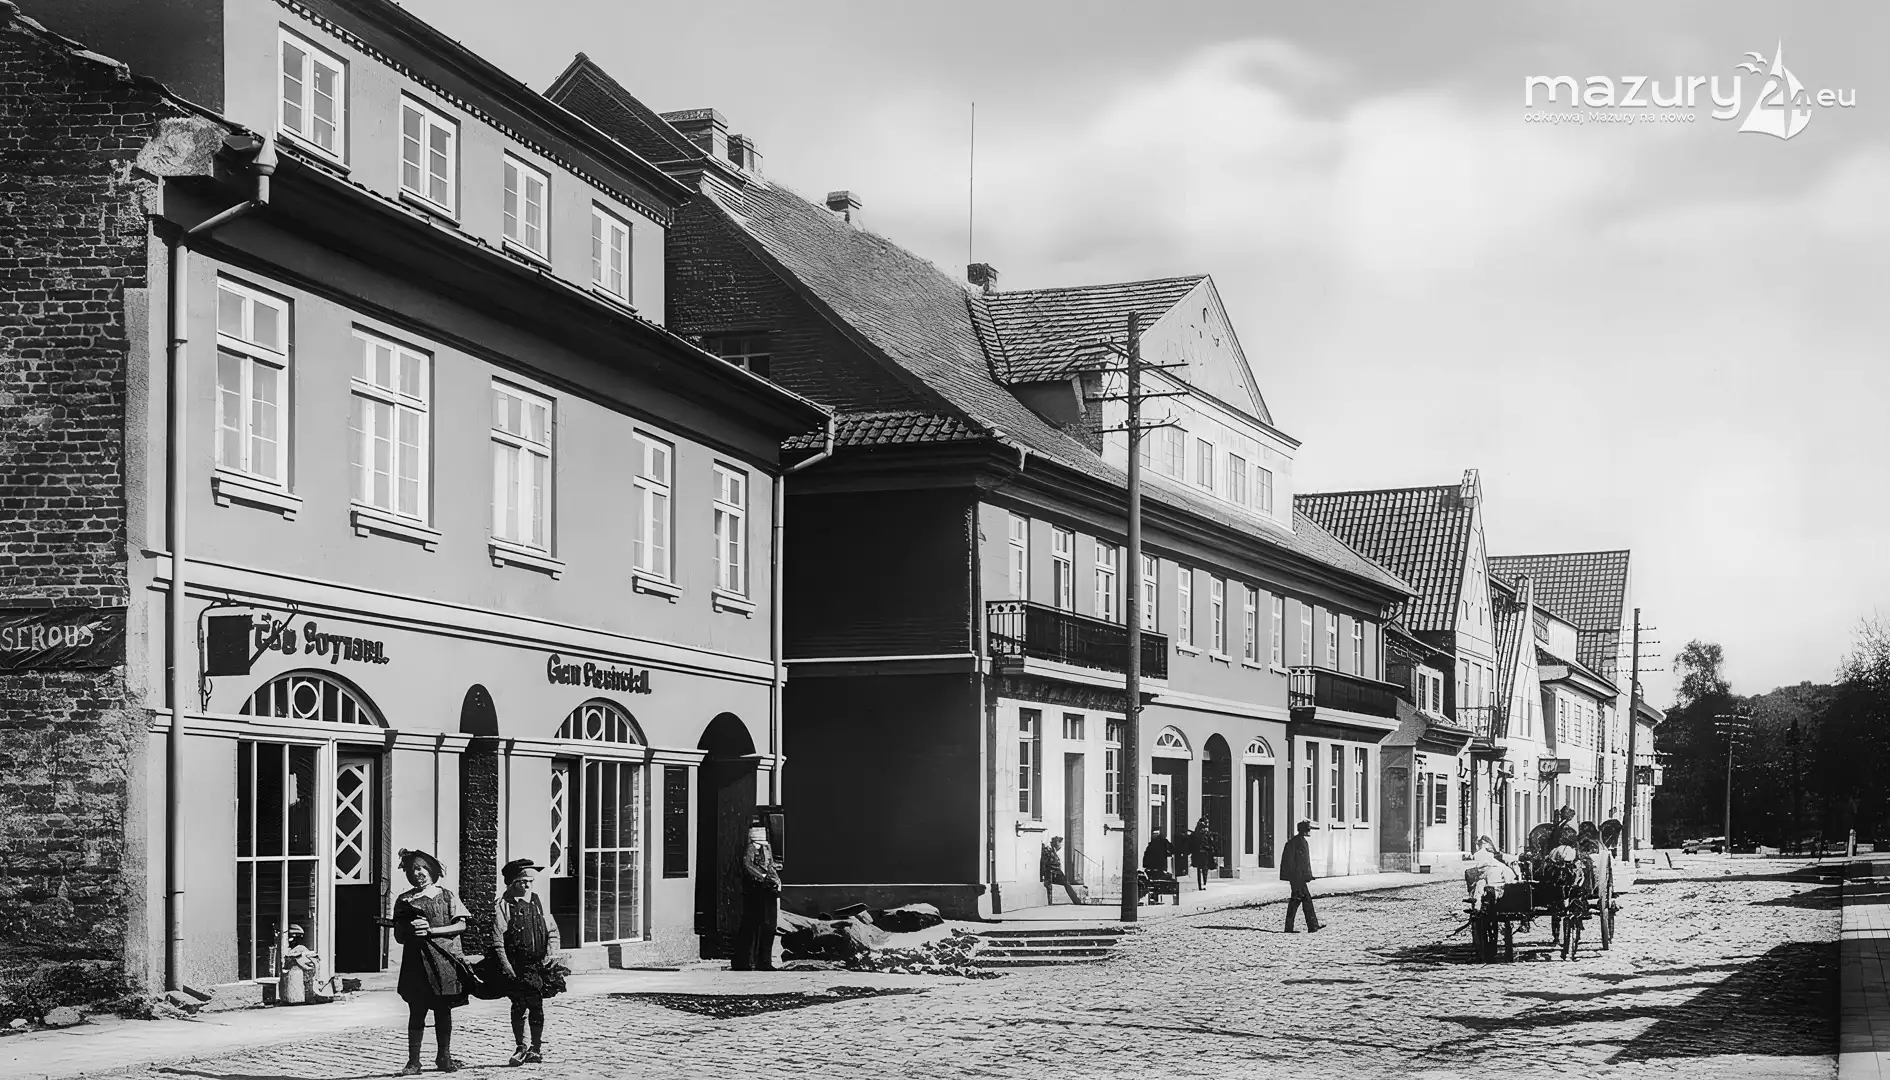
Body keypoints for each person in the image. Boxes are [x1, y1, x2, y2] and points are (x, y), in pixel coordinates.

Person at [392, 849, 471, 1075]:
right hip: (415, 963)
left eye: (422, 868)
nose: (418, 874)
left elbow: (461, 925)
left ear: (431, 870)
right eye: (412, 870)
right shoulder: (403, 900)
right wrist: (409, 929)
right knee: (416, 1011)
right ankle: (413, 1062)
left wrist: (432, 931)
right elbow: (399, 936)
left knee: (443, 1010)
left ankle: (444, 1057)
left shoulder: (447, 896)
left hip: (443, 960)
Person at [492, 858, 564, 1066]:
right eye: (522, 881)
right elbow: (498, 941)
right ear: (512, 883)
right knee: (518, 1006)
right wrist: (506, 967)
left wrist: (552, 955)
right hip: (517, 967)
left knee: (536, 1005)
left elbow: (552, 932)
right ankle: (521, 1046)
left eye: (530, 881)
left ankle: (536, 1048)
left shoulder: (539, 903)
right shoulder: (503, 906)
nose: (527, 885)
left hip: (537, 966)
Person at [731, 824, 782, 971]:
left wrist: (774, 879)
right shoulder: (752, 848)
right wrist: (764, 876)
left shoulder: (764, 848)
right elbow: (749, 865)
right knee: (753, 925)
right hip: (756, 890)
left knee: (765, 926)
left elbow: (769, 865)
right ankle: (751, 960)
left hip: (764, 889)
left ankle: (761, 960)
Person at [1280, 820, 1321, 932]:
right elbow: (1291, 862)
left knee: (1304, 900)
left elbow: (1304, 862)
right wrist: (1299, 876)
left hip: (1300, 877)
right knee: (1297, 900)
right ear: (1304, 831)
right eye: (1308, 829)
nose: (1309, 832)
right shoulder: (1295, 843)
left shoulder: (1300, 841)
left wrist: (1307, 875)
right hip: (1297, 877)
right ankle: (1304, 926)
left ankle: (1312, 926)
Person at [1040, 836, 1082, 905]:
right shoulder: (1049, 851)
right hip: (1051, 873)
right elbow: (1046, 863)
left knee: (1066, 884)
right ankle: (1050, 903)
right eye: (1060, 844)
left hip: (1056, 872)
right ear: (1057, 843)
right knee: (1050, 887)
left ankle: (1077, 901)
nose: (1061, 846)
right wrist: (1043, 875)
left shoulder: (1053, 851)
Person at [1188, 816, 1219, 889]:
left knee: (1202, 868)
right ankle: (1203, 883)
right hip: (1203, 852)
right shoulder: (1204, 832)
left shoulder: (1198, 832)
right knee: (1204, 868)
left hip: (1200, 852)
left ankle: (1202, 883)